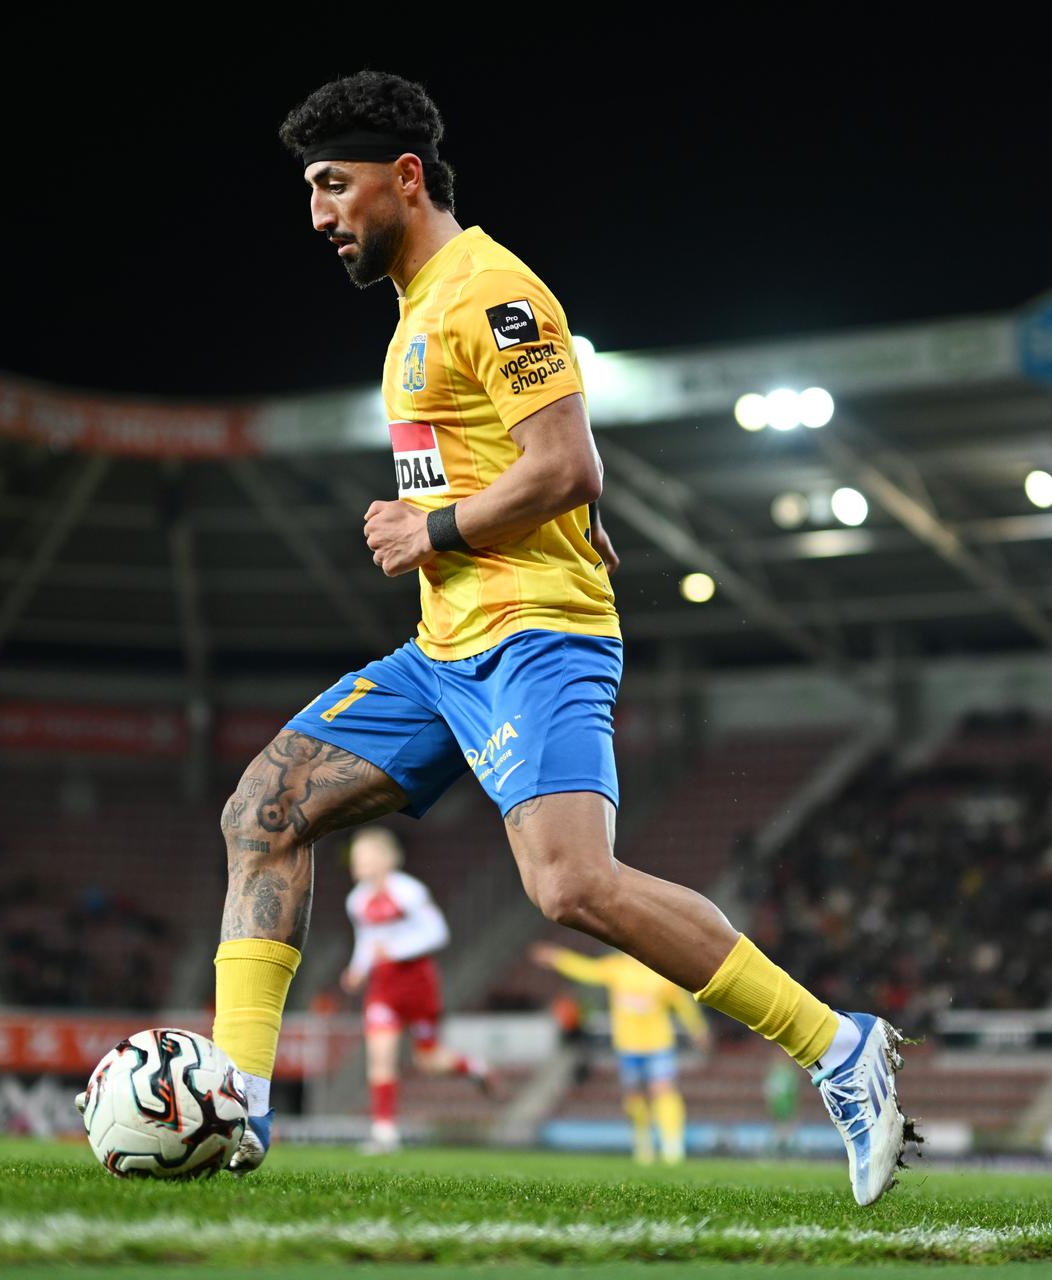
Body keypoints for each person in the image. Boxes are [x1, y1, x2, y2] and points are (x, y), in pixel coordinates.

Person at [207, 70, 916, 1205]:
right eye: (308, 192)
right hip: (444, 650)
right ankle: (233, 1100)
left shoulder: (493, 292)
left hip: (535, 639)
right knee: (266, 807)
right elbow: (545, 472)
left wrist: (431, 526)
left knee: (572, 884)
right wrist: (537, 522)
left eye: (333, 186)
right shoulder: (414, 309)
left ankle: (841, 1047)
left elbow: (567, 462)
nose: (319, 214)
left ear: (404, 177)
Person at [341, 826, 490, 1153]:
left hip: (418, 984)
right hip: (383, 988)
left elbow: (437, 933)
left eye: (362, 857)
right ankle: (384, 1132)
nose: (356, 864)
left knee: (429, 1060)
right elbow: (367, 941)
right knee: (380, 1056)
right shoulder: (357, 901)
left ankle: (474, 1067)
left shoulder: (409, 892)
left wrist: (395, 952)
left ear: (384, 859)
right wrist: (357, 969)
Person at [534, 943, 710, 1164]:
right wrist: (558, 958)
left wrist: (697, 1028)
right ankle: (643, 1145)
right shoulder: (617, 968)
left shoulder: (662, 973)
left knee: (663, 1090)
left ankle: (672, 1147)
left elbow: (683, 1004)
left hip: (658, 1044)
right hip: (628, 1045)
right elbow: (587, 970)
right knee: (635, 1098)